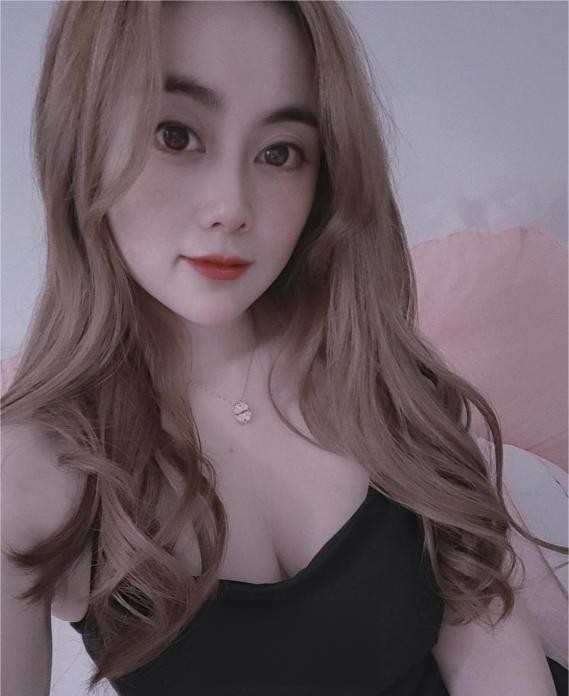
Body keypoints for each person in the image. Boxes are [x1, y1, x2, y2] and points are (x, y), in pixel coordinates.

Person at [1, 2, 567, 695]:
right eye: (175, 135)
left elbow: (492, 657)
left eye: (279, 152)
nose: (231, 205)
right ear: (81, 138)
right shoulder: (29, 474)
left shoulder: (377, 370)